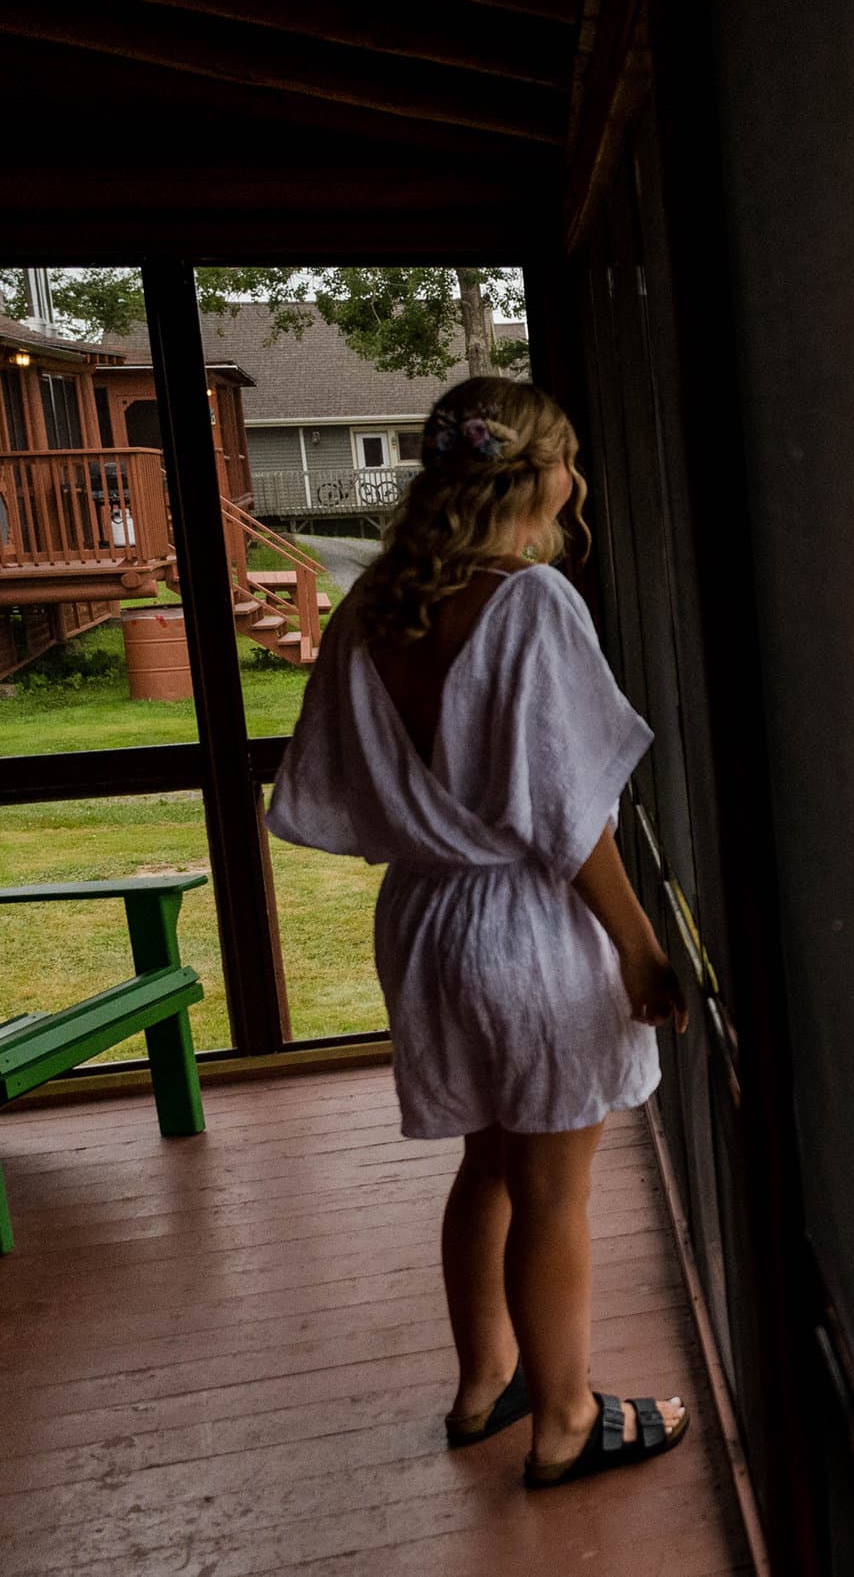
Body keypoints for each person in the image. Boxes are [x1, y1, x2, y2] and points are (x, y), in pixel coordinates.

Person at [268, 377, 696, 1489]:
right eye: (568, 458)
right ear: (530, 475)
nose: (581, 481)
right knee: (554, 1188)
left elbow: (329, 781)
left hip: (424, 922)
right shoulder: (531, 603)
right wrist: (643, 949)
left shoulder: (377, 605)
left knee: (488, 1165)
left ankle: (483, 1386)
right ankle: (564, 1419)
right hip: (525, 926)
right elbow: (569, 815)